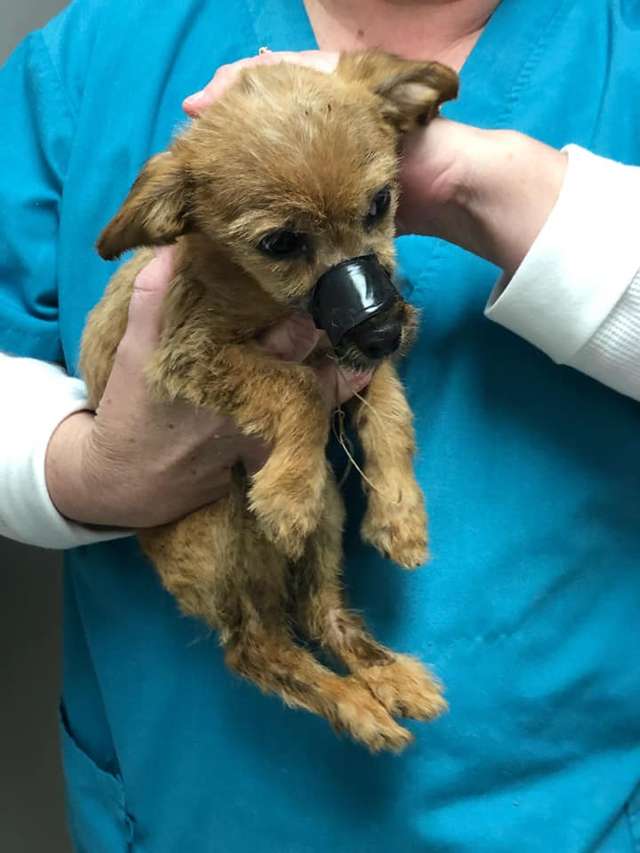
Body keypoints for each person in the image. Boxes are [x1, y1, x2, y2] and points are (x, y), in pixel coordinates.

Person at [1, 1, 639, 849]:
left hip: (568, 803)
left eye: (379, 206)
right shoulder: (97, 54)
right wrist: (85, 472)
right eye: (280, 244)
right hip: (197, 796)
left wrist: (481, 181)